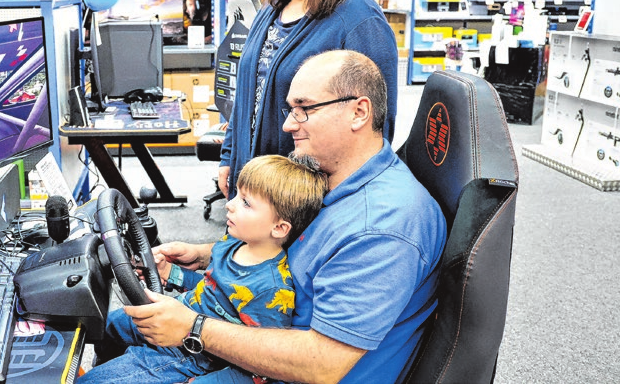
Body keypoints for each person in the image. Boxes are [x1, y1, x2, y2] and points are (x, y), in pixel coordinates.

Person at [125, 50, 447, 384]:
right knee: (124, 330)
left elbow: (321, 364)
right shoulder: (330, 180)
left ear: (359, 112)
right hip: (260, 341)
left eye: (304, 109)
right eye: (290, 109)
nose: (288, 124)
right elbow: (299, 252)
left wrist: (193, 328)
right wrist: (205, 254)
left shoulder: (382, 226)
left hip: (287, 370)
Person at [79, 154, 327, 384]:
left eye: (246, 203)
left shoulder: (271, 290)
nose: (229, 205)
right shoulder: (234, 243)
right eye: (237, 196)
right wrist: (170, 273)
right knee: (111, 323)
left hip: (192, 355)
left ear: (279, 228)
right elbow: (210, 286)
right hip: (182, 312)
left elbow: (262, 365)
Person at [218, 0, 398, 201]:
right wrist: (229, 157)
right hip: (256, 184)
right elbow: (248, 93)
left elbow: (375, 127)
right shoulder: (271, 9)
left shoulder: (359, 20)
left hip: (306, 197)